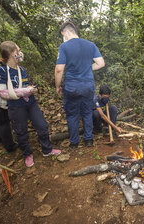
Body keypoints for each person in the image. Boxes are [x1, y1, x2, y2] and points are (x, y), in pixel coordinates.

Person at [0, 41, 61, 167]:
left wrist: (31, 89)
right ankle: (27, 154)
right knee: (21, 131)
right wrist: (24, 91)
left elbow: (25, 87)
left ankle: (47, 149)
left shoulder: (22, 70)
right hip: (15, 107)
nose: (20, 53)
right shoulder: (1, 71)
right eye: (18, 50)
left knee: (42, 125)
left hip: (30, 103)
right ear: (11, 54)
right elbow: (3, 93)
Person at [54, 21, 105, 149]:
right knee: (87, 112)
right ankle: (88, 140)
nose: (63, 38)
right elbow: (100, 63)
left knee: (72, 115)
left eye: (62, 35)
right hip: (88, 86)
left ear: (67, 32)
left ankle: (74, 143)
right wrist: (87, 68)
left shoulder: (64, 47)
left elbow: (59, 69)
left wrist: (57, 86)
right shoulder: (90, 45)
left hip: (71, 87)